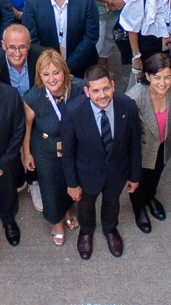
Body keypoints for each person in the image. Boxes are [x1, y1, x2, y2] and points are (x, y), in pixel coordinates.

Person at [60, 64, 142, 259]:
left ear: (113, 85)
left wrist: (134, 176)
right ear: (87, 91)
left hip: (117, 171)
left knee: (112, 203)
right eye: (96, 91)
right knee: (86, 206)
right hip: (87, 174)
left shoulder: (128, 105)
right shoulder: (73, 111)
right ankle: (86, 232)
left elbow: (135, 144)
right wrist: (72, 183)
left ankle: (110, 230)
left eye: (106, 88)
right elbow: (68, 151)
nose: (102, 95)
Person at [22, 50, 81, 244]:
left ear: (64, 71)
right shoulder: (33, 97)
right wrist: (27, 154)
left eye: (56, 73)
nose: (52, 79)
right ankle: (56, 221)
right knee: (50, 186)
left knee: (69, 180)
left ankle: (68, 209)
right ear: (39, 75)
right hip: (45, 149)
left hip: (73, 147)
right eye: (46, 74)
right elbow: (27, 126)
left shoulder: (79, 88)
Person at [20, 0, 101, 77]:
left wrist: (68, 67)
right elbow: (32, 39)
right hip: (47, 69)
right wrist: (53, 66)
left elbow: (91, 37)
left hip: (82, 67)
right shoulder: (32, 1)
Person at [126, 51, 171, 233]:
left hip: (164, 145)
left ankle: (150, 196)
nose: (162, 83)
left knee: (155, 175)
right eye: (157, 77)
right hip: (140, 150)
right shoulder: (134, 98)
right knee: (138, 181)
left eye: (167, 77)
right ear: (147, 76)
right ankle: (139, 208)